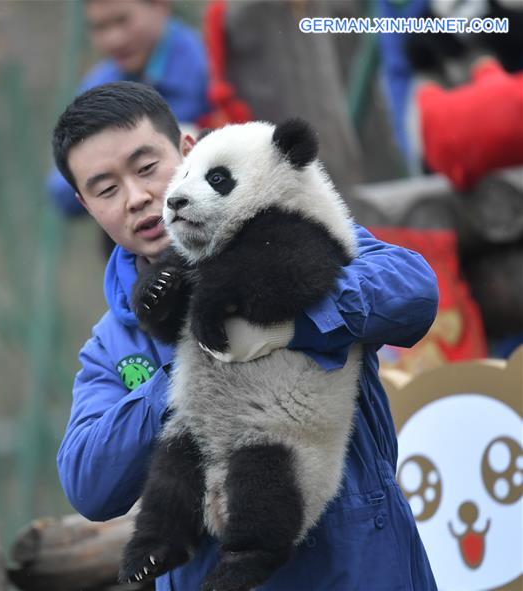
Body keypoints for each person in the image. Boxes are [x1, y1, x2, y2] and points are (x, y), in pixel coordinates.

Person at [52, 81, 439, 590]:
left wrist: (293, 324)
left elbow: (412, 290)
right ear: (85, 203)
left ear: (189, 151)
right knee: (180, 455)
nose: (138, 197)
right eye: (106, 189)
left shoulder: (301, 228)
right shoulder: (111, 345)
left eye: (148, 168)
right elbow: (87, 481)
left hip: (357, 564)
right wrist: (189, 377)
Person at [47, 0, 211, 221]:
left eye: (122, 20)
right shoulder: (100, 84)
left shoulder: (210, 69)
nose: (113, 39)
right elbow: (61, 190)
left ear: (159, 7)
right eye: (99, 27)